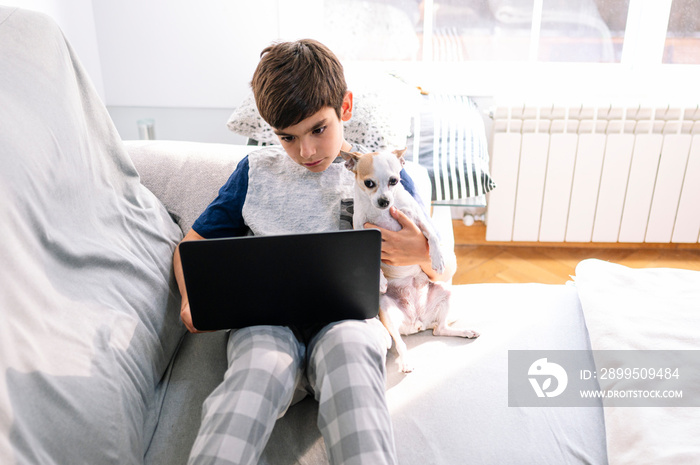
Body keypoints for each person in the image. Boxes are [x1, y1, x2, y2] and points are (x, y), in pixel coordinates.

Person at [173, 39, 456, 465]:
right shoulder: (254, 172)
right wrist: (190, 298)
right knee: (254, 378)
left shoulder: (381, 174)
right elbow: (190, 248)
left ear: (345, 107)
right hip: (264, 324)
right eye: (287, 137)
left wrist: (418, 250)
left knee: (354, 372)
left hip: (349, 322)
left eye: (317, 130)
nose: (305, 151)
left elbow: (443, 271)